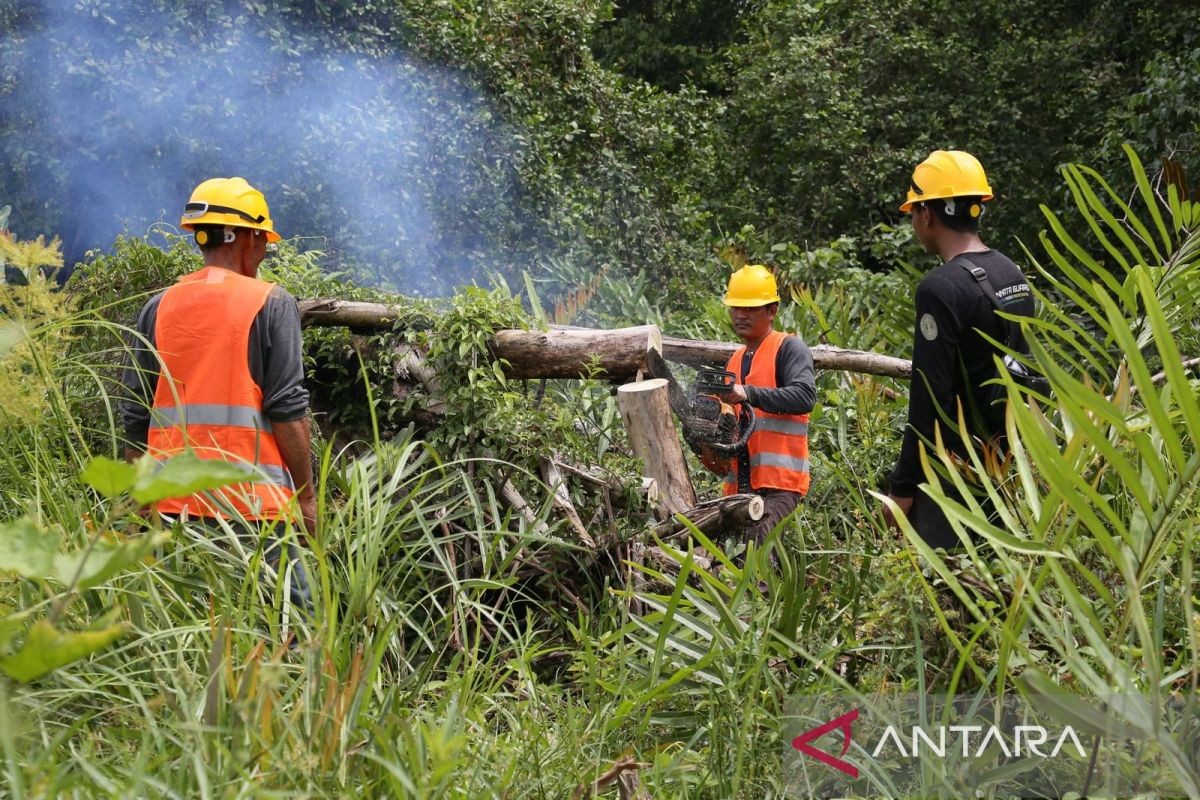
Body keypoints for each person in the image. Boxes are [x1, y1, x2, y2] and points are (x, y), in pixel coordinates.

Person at [121, 177, 315, 608]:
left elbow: (135, 413)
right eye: (263, 239)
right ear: (244, 237)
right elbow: (288, 410)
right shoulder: (271, 302)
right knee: (294, 622)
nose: (264, 251)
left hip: (170, 503)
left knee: (177, 626)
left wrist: (138, 495)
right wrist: (307, 497)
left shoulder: (159, 305)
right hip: (252, 504)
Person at [883, 150, 1035, 548]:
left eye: (913, 211)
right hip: (1010, 465)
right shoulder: (1012, 273)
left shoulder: (941, 289)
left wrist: (902, 486)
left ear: (927, 214)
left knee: (949, 593)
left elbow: (928, 397)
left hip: (955, 476)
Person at [692, 264, 816, 557]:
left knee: (757, 559)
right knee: (724, 561)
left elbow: (804, 395)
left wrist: (746, 392)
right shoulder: (734, 361)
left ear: (771, 310)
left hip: (778, 485)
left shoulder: (789, 348)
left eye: (749, 308)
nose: (740, 315)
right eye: (736, 308)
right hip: (740, 488)